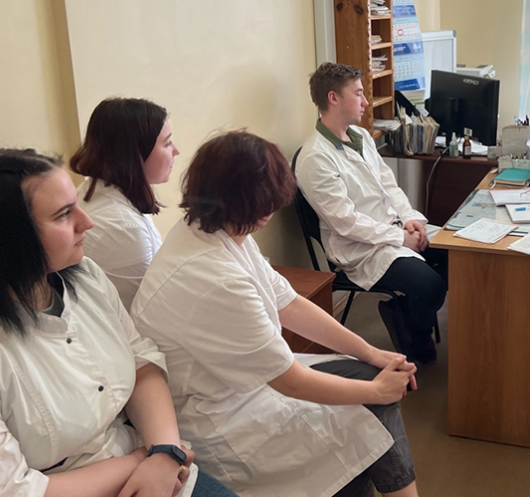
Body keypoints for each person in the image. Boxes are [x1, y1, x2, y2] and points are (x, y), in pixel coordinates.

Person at [131, 131, 422, 497]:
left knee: (369, 391)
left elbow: (289, 303)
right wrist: (377, 391)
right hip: (218, 414)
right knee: (370, 412)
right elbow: (289, 382)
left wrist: (372, 352)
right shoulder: (213, 276)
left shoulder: (216, 230)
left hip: (243, 383)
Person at [0, 148, 235, 497]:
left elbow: (141, 362)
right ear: (4, 239)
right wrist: (142, 462)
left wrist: (165, 452)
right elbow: (7, 490)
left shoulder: (86, 275)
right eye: (63, 214)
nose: (87, 222)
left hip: (153, 462)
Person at [296, 62, 447, 363]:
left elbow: (388, 184)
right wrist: (400, 238)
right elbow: (346, 223)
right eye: (358, 94)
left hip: (392, 228)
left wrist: (410, 219)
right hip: (360, 248)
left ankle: (402, 311)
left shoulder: (360, 136)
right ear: (333, 98)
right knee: (429, 285)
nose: (365, 101)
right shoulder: (315, 159)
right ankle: (415, 337)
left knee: (457, 256)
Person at [71, 98, 180, 310]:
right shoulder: (122, 228)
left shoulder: (101, 189)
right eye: (167, 143)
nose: (176, 150)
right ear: (134, 154)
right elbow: (145, 311)